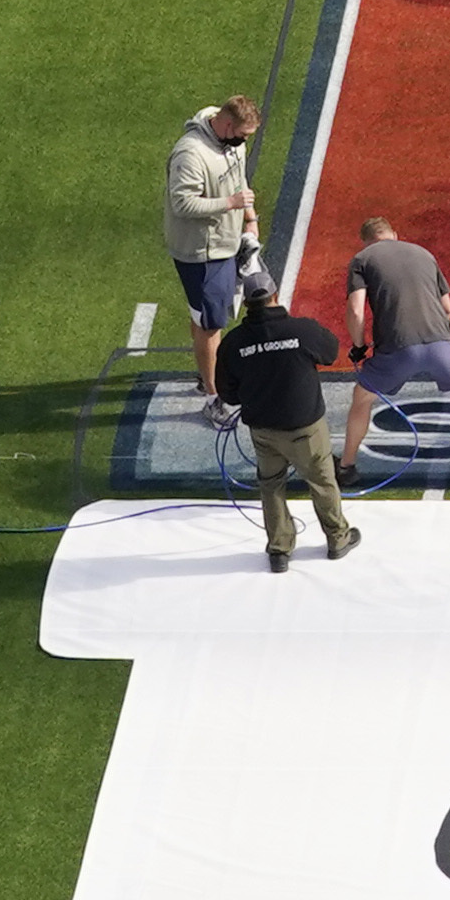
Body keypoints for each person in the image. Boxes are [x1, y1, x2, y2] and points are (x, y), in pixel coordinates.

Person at [344, 214, 450, 482]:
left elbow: (356, 311)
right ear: (395, 234)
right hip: (440, 343)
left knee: (363, 398)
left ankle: (347, 466)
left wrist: (359, 346)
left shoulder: (362, 260)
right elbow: (447, 308)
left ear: (366, 243)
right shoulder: (424, 254)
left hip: (396, 348)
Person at [218, 279, 364, 574]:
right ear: (274, 295)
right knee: (322, 480)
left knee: (271, 485)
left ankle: (279, 549)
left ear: (246, 304)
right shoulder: (302, 330)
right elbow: (331, 351)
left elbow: (227, 392)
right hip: (305, 428)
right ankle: (337, 538)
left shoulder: (233, 343)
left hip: (263, 430)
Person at [162, 96, 264, 338]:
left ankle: (211, 374)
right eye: (243, 133)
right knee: (211, 323)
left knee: (210, 315)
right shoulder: (191, 154)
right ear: (227, 125)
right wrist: (230, 203)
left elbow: (239, 179)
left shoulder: (232, 142)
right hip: (202, 252)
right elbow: (182, 204)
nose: (245, 140)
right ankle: (211, 378)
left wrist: (250, 218)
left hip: (226, 243)